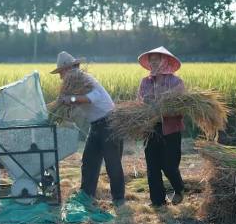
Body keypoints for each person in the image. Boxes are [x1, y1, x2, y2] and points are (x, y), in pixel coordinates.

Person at [52, 51, 126, 207]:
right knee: (89, 161)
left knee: (112, 163)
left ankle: (119, 199)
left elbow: (95, 98)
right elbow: (77, 107)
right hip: (96, 125)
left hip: (110, 123)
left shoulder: (85, 79)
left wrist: (70, 99)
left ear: (69, 69)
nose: (60, 77)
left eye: (61, 72)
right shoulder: (76, 86)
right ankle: (86, 196)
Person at [137, 46, 186, 207]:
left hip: (171, 128)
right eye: (151, 62)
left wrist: (161, 95)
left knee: (169, 165)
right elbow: (141, 101)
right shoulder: (145, 82)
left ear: (165, 61)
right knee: (152, 167)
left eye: (157, 61)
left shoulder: (176, 82)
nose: (153, 64)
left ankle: (179, 189)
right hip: (151, 128)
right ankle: (158, 201)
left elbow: (178, 104)